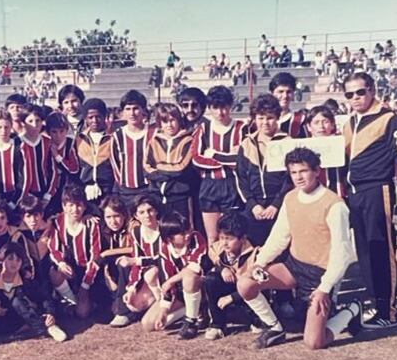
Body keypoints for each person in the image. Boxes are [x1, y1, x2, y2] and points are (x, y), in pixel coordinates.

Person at [236, 147, 360, 349]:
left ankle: (352, 310)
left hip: (321, 275)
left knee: (314, 342)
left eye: (303, 171)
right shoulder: (290, 197)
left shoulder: (335, 205)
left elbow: (342, 254)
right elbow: (279, 237)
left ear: (317, 171)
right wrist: (259, 263)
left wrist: (324, 288)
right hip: (294, 267)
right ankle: (275, 328)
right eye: (293, 172)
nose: (298, 177)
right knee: (245, 283)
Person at [341, 72, 397, 328]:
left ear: (371, 90)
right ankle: (375, 302)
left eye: (360, 92)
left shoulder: (389, 119)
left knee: (382, 250)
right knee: (364, 252)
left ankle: (388, 310)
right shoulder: (350, 123)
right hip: (354, 194)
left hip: (377, 190)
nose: (355, 98)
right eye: (349, 94)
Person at [0, 242, 68, 342]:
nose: (14, 263)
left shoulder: (25, 279)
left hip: (24, 313)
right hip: (4, 318)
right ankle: (25, 328)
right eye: (10, 259)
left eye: (18, 260)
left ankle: (45, 327)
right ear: (2, 260)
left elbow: (43, 297)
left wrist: (49, 313)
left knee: (17, 301)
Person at [236, 94, 291, 245]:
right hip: (255, 208)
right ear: (254, 118)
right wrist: (253, 205)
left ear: (277, 118)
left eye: (270, 117)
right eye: (260, 118)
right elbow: (241, 178)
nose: (265, 122)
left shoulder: (287, 142)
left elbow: (290, 179)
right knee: (254, 249)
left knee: (279, 249)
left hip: (279, 206)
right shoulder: (247, 144)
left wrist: (276, 204)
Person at [142, 212, 208, 338]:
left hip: (201, 286)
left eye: (188, 230)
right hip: (179, 293)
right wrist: (164, 311)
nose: (188, 235)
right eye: (182, 233)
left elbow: (194, 267)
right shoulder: (164, 250)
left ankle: (191, 322)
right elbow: (166, 284)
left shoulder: (196, 238)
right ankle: (194, 310)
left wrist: (171, 281)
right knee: (148, 324)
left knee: (189, 277)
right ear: (169, 238)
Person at [193, 86, 245, 244]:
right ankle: (215, 268)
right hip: (209, 185)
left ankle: (233, 267)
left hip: (231, 185)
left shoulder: (241, 128)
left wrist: (214, 154)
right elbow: (196, 159)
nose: (220, 112)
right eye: (215, 108)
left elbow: (240, 160)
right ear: (209, 108)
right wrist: (227, 159)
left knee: (230, 235)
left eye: (224, 107)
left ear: (230, 106)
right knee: (212, 237)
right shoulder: (203, 129)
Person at [47, 183, 103, 319]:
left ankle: (85, 300)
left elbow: (96, 256)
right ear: (64, 206)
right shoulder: (57, 221)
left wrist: (85, 286)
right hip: (70, 270)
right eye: (70, 205)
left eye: (78, 205)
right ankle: (71, 301)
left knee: (82, 314)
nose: (75, 209)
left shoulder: (91, 224)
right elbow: (53, 248)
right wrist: (61, 263)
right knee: (54, 273)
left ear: (84, 206)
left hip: (88, 273)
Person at [201, 211, 258, 341]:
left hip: (248, 290)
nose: (224, 243)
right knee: (211, 279)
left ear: (243, 239)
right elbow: (205, 266)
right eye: (222, 238)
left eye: (230, 239)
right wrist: (222, 269)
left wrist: (232, 297)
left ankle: (257, 319)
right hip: (230, 285)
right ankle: (217, 324)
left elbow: (259, 282)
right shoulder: (217, 248)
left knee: (255, 284)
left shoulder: (255, 251)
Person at [112, 193, 163, 327]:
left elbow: (165, 259)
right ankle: (125, 311)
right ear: (136, 216)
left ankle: (165, 303)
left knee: (150, 273)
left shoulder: (164, 229)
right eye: (142, 212)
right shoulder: (136, 232)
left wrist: (137, 261)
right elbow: (135, 261)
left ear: (156, 211)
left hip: (164, 273)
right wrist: (132, 288)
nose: (147, 215)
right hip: (147, 275)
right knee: (133, 303)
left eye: (150, 210)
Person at [144, 102, 199, 224]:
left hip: (180, 195)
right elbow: (147, 167)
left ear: (179, 120)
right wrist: (165, 172)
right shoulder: (154, 141)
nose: (169, 125)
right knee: (161, 230)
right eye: (165, 121)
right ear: (159, 123)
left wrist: (159, 166)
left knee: (184, 229)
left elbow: (181, 168)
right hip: (158, 195)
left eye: (172, 120)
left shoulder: (188, 140)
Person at [109, 90, 154, 203]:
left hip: (149, 189)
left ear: (143, 110)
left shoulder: (153, 133)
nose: (132, 113)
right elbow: (115, 163)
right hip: (126, 191)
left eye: (136, 108)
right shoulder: (117, 135)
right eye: (128, 109)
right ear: (123, 112)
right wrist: (122, 183)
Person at [75, 98, 114, 205]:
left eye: (98, 116)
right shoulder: (79, 139)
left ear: (104, 116)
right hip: (86, 191)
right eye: (90, 117)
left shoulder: (113, 137)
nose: (94, 121)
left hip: (109, 191)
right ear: (85, 119)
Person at [306, 106, 347, 196]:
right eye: (316, 123)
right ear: (309, 127)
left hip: (337, 193)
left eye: (325, 122)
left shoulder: (341, 145)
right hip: (312, 195)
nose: (321, 126)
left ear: (332, 125)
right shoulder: (303, 149)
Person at [269, 72, 307, 138]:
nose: (285, 96)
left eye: (289, 92)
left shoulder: (301, 120)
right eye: (280, 92)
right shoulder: (260, 121)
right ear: (272, 93)